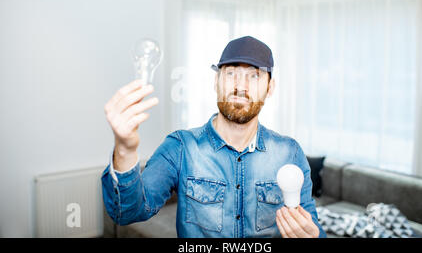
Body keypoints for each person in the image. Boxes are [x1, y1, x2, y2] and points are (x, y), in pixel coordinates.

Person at [102, 35, 326, 238]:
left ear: (270, 88)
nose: (241, 86)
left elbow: (312, 226)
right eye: (231, 74)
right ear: (216, 82)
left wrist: (312, 236)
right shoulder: (180, 147)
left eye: (254, 76)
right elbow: (127, 213)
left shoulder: (290, 152)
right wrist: (124, 149)